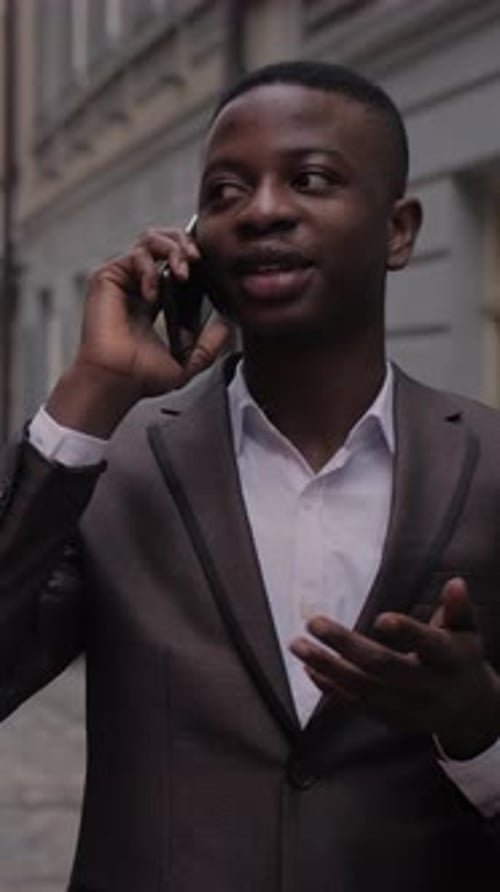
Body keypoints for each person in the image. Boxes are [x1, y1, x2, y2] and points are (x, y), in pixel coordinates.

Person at [1, 60, 500, 892]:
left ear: (398, 230)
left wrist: (480, 729)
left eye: (310, 179)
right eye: (226, 192)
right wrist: (93, 391)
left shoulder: (489, 468)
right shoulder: (116, 467)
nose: (263, 209)